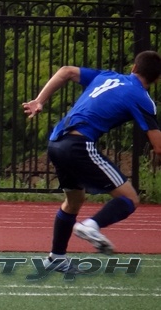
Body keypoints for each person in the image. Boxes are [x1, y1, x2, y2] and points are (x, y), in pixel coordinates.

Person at [22, 50, 161, 273]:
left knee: (74, 201)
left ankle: (56, 257)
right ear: (156, 79)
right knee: (130, 198)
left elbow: (66, 71)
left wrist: (39, 100)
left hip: (56, 143)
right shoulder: (142, 98)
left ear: (134, 68)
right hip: (78, 145)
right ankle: (91, 226)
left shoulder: (107, 76)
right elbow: (158, 147)